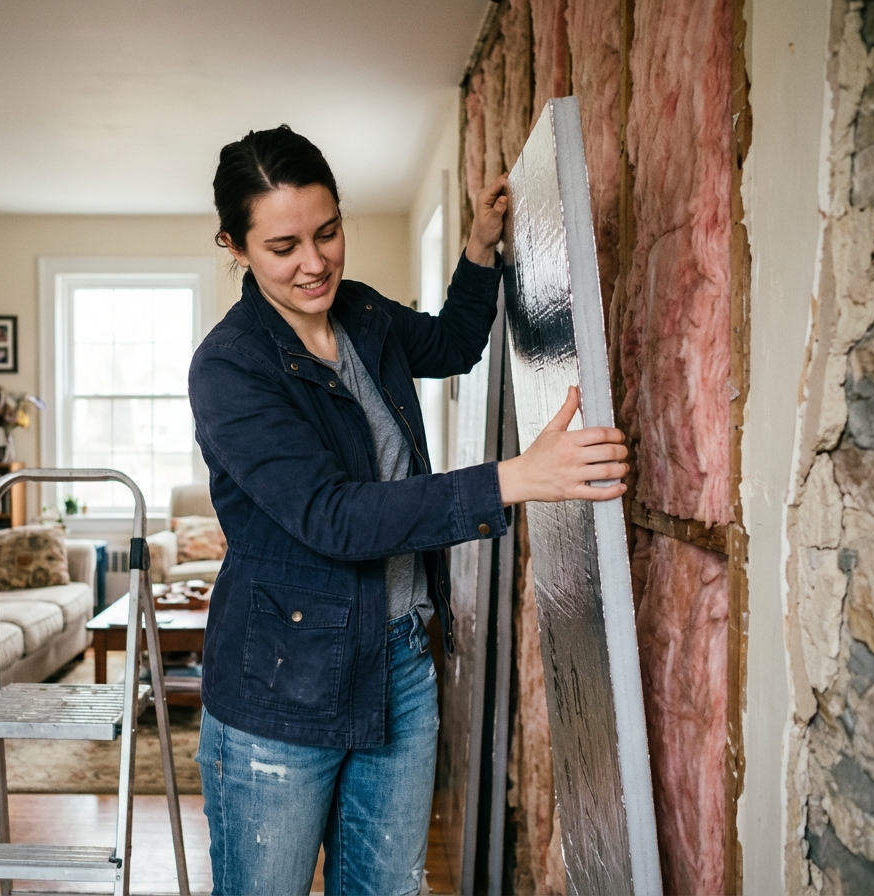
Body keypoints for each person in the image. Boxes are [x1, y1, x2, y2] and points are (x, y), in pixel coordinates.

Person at [189, 125, 628, 896]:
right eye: (283, 246)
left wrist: (482, 248)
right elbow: (335, 518)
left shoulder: (360, 314)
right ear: (235, 245)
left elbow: (456, 343)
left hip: (398, 664)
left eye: (327, 233)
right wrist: (513, 479)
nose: (315, 262)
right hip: (281, 689)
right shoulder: (230, 368)